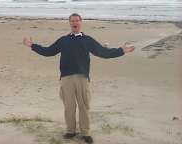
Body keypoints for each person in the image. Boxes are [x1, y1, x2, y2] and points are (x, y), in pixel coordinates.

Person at [22, 13, 135, 144]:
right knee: (69, 107)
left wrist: (121, 51)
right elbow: (48, 51)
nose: (75, 23)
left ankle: (85, 132)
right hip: (66, 78)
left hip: (82, 77)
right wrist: (32, 45)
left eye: (77, 20)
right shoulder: (63, 40)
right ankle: (70, 131)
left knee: (84, 106)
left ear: (81, 22)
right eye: (72, 21)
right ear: (70, 23)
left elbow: (104, 53)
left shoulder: (87, 40)